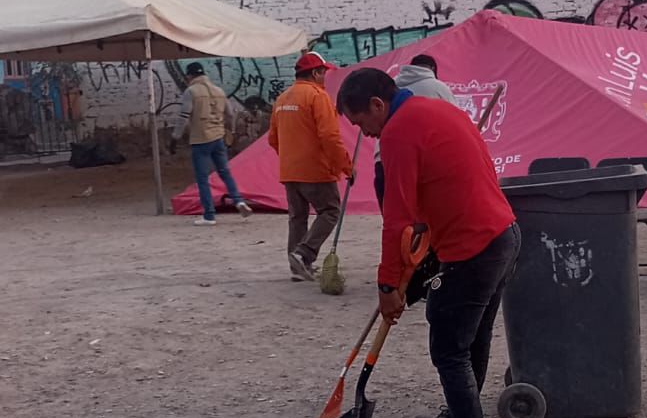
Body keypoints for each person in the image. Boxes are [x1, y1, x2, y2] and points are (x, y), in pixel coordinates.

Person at [337, 67, 520, 418]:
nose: (364, 134)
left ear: (377, 106)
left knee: (449, 348)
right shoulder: (439, 111)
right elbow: (441, 191)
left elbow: (396, 220)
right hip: (504, 236)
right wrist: (421, 247)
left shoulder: (399, 131)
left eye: (360, 123)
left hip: (474, 247)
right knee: (471, 338)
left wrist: (388, 284)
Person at [268, 50, 353, 281]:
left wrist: (290, 157)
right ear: (315, 73)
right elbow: (329, 137)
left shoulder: (283, 98)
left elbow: (272, 139)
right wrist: (346, 166)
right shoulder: (318, 96)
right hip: (316, 170)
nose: (325, 77)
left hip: (289, 170)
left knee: (298, 217)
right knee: (330, 210)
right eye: (323, 72)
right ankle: (304, 254)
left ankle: (297, 266)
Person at [169, 62, 252, 225]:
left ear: (189, 76)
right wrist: (231, 132)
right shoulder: (219, 91)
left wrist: (175, 137)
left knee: (202, 178)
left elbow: (183, 117)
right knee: (225, 173)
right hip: (218, 137)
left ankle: (209, 215)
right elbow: (230, 114)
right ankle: (238, 200)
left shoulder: (191, 91)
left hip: (200, 139)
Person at [374, 52, 458, 209]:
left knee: (395, 220)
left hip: (384, 162)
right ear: (432, 69)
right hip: (423, 166)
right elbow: (458, 124)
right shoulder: (439, 88)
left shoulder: (391, 86)